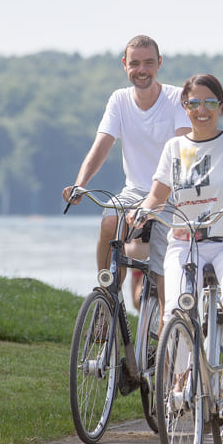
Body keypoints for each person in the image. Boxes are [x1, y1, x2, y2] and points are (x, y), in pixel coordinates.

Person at [134, 73, 223, 416]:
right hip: (184, 243)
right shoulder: (174, 148)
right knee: (175, 310)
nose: (202, 109)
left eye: (210, 102)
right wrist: (142, 214)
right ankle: (179, 382)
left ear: (220, 107)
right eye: (194, 103)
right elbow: (156, 195)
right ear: (186, 107)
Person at [63, 35, 190, 301]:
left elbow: (182, 151)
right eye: (134, 63)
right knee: (109, 220)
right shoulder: (119, 100)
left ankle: (165, 325)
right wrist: (80, 184)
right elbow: (102, 144)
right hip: (134, 192)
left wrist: (156, 200)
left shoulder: (177, 97)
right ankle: (107, 296)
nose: (141, 70)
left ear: (159, 64)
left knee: (163, 264)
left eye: (148, 63)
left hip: (172, 195)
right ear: (124, 64)